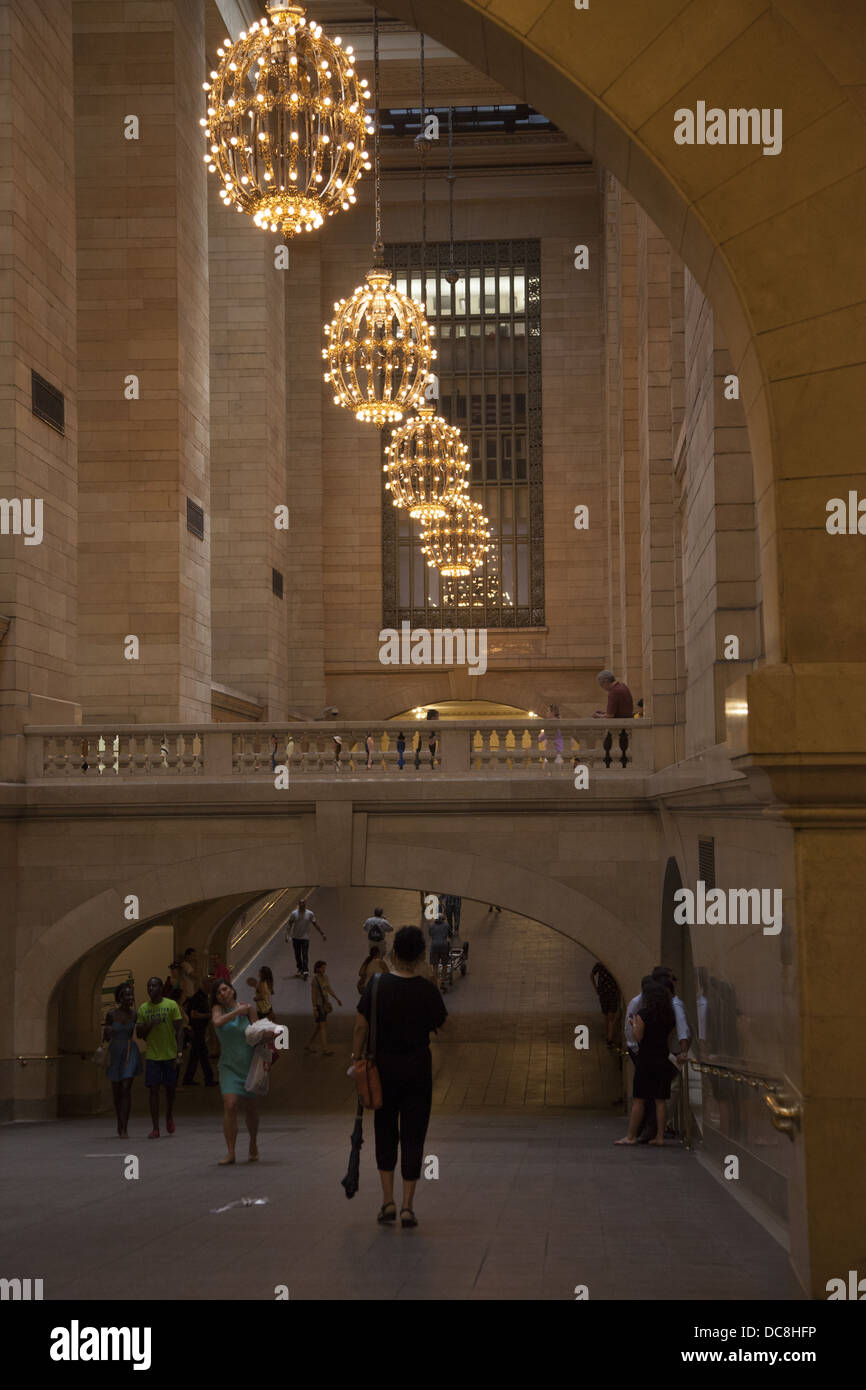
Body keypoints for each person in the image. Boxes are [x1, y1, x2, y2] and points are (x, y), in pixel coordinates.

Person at [353, 926, 448, 1228]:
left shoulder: (377, 985)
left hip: (383, 1070)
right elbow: (441, 1024)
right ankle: (408, 1206)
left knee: (385, 1132)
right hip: (418, 1070)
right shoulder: (427, 990)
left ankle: (387, 1202)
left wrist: (356, 1059)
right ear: (421, 956)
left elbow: (360, 1027)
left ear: (393, 953)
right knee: (413, 1136)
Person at [615, 981, 677, 1146]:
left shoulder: (643, 1014)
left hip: (646, 1060)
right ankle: (660, 1137)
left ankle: (631, 1136)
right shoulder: (669, 1015)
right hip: (663, 1058)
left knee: (639, 1099)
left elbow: (638, 1037)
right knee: (660, 1100)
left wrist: (634, 1024)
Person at [211, 979, 259, 1165]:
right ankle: (230, 1151)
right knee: (230, 1105)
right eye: (218, 992)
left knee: (251, 1108)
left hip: (249, 1065)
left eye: (225, 989)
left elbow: (257, 1033)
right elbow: (217, 1022)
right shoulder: (218, 1010)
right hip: (228, 1066)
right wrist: (238, 1012)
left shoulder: (249, 1009)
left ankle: (253, 1144)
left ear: (232, 990)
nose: (222, 994)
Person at [136, 976, 184, 1139]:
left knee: (170, 1090)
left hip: (169, 1054)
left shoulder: (171, 1005)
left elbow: (179, 1030)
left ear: (161, 988)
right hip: (153, 1055)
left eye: (154, 986)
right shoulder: (143, 1008)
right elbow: (140, 1034)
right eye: (149, 986)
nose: (151, 989)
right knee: (153, 1090)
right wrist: (150, 1024)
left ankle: (169, 1114)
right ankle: (155, 1127)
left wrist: (179, 1053)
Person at [103, 980, 142, 1136]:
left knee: (126, 1088)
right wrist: (108, 1031)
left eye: (130, 995)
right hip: (115, 1050)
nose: (129, 998)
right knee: (117, 1089)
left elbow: (139, 1034)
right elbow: (105, 1038)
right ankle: (119, 1122)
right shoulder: (111, 1014)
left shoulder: (135, 1014)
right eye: (125, 995)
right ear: (119, 997)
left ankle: (125, 1126)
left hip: (129, 1050)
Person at [183, 983, 217, 1086]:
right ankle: (208, 1079)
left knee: (198, 1056)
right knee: (201, 1055)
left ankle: (191, 1079)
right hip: (197, 1031)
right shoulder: (198, 998)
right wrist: (209, 1015)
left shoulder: (202, 997)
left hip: (199, 1030)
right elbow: (194, 1015)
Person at [306, 961, 342, 1056]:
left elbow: (328, 989)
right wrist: (314, 1008)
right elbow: (313, 995)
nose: (324, 969)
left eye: (324, 968)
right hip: (319, 1005)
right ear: (317, 969)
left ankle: (309, 1043)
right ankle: (325, 1049)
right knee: (323, 1026)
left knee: (319, 1027)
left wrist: (337, 998)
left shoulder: (325, 977)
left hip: (325, 1004)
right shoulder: (315, 980)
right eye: (322, 968)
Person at [285, 896, 325, 980]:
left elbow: (315, 924)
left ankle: (305, 970)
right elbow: (289, 924)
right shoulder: (294, 914)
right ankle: (300, 968)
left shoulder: (310, 914)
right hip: (295, 938)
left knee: (305, 954)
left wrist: (322, 933)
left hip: (305, 938)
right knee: (297, 955)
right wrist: (287, 935)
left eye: (303, 903)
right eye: (300, 904)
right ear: (298, 905)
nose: (302, 905)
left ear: (305, 904)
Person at [590, 960, 620, 1045]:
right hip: (612, 992)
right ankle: (609, 1039)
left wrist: (596, 988)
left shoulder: (600, 964)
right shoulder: (615, 965)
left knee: (606, 1015)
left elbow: (591, 975)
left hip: (602, 993)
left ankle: (608, 1036)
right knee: (611, 1016)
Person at [427, 913, 451, 992]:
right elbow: (450, 935)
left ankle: (435, 983)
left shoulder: (431, 926)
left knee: (435, 965)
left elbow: (430, 934)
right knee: (444, 964)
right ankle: (443, 982)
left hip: (434, 946)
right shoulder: (446, 925)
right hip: (444, 946)